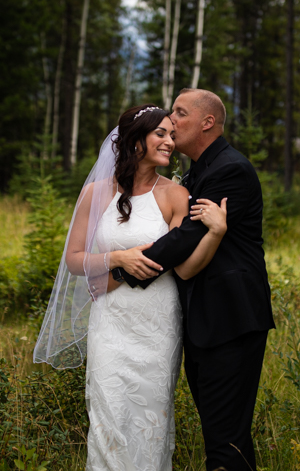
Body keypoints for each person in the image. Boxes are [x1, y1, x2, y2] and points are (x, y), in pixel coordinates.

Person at [34, 103, 228, 471]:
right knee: (108, 417)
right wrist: (117, 259)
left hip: (157, 324)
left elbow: (183, 268)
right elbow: (75, 259)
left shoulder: (176, 195)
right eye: (162, 133)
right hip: (110, 323)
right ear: (135, 141)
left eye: (173, 134)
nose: (170, 141)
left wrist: (216, 233)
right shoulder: (95, 193)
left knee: (150, 420)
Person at [117, 88, 275, 471]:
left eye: (180, 113)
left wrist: (121, 269)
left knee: (225, 438)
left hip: (230, 320)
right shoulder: (196, 172)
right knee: (222, 433)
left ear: (208, 123)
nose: (171, 121)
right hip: (205, 321)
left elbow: (185, 237)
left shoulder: (229, 170)